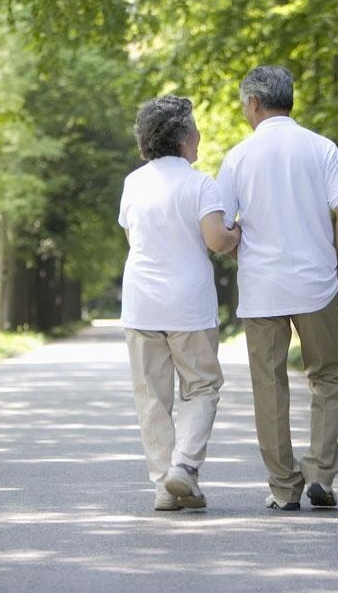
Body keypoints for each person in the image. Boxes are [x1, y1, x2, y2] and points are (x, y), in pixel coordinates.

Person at [216, 65, 338, 511]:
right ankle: (321, 473)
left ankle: (284, 486)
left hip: (262, 289)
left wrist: (243, 251)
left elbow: (221, 229)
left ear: (254, 103)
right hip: (316, 282)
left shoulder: (238, 157)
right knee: (327, 378)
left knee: (270, 384)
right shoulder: (323, 148)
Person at [119, 95, 241, 512]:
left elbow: (133, 237)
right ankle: (185, 468)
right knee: (202, 388)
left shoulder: (133, 183)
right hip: (188, 306)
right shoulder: (201, 184)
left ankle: (163, 488)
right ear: (185, 137)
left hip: (141, 305)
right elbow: (217, 241)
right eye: (195, 129)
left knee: (151, 396)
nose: (200, 136)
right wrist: (237, 233)